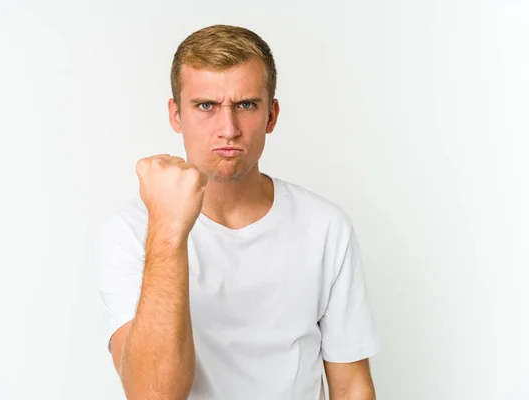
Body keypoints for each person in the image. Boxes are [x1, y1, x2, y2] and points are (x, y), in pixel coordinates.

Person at [95, 24, 381, 400]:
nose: (228, 129)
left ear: (271, 115)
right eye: (205, 106)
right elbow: (153, 394)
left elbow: (352, 386)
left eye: (246, 105)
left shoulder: (325, 227)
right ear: (176, 115)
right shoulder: (132, 232)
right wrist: (168, 229)